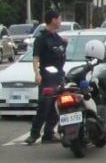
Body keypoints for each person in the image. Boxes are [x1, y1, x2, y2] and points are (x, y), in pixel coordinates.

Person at [25, 11, 67, 145]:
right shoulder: (42, 38)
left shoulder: (58, 38)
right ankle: (34, 134)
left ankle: (49, 133)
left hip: (58, 76)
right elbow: (36, 58)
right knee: (44, 106)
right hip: (47, 77)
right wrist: (37, 73)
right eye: (59, 19)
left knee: (57, 106)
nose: (60, 21)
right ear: (53, 20)